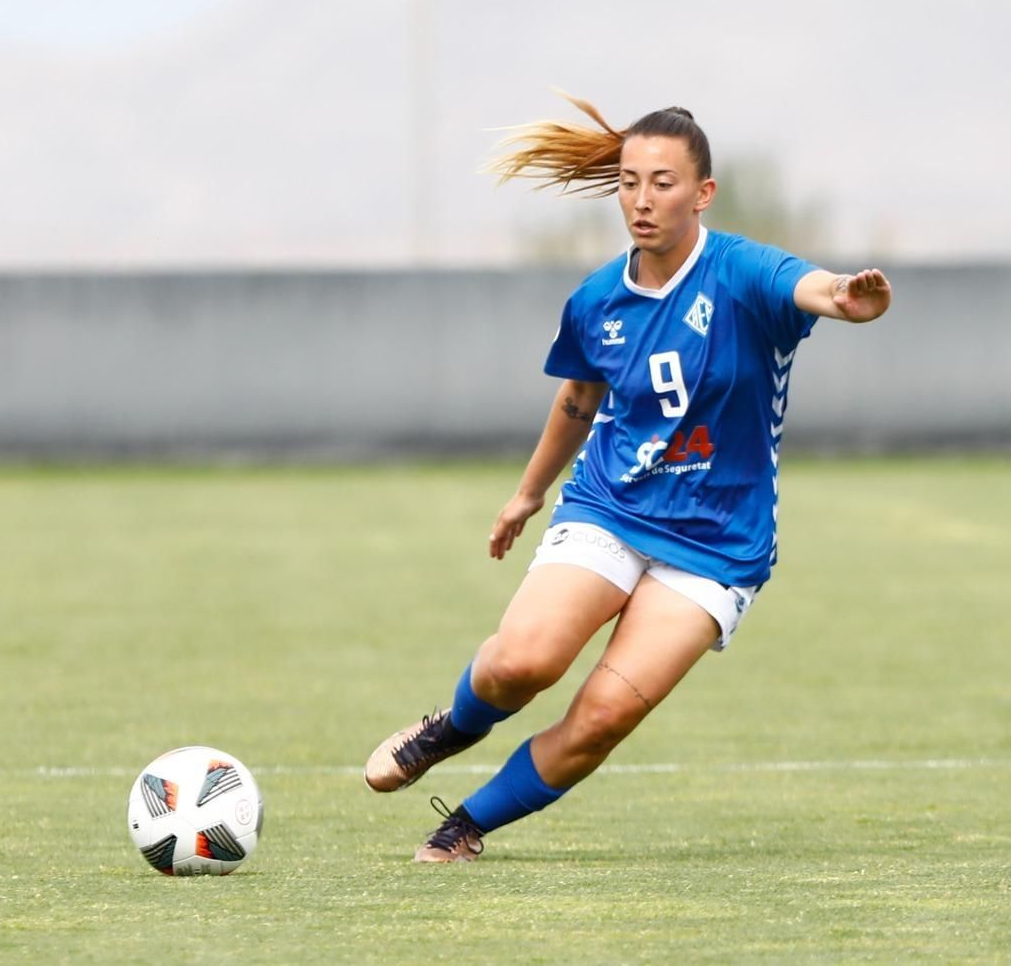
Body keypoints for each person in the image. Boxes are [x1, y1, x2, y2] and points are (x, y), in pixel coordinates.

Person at [363, 95, 892, 862]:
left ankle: (466, 824)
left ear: (703, 193)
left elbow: (811, 286)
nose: (642, 200)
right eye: (629, 181)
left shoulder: (742, 271)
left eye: (664, 183)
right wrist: (528, 492)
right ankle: (451, 726)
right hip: (610, 504)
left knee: (604, 714)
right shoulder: (598, 299)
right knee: (522, 661)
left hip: (716, 543)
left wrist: (846, 298)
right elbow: (578, 398)